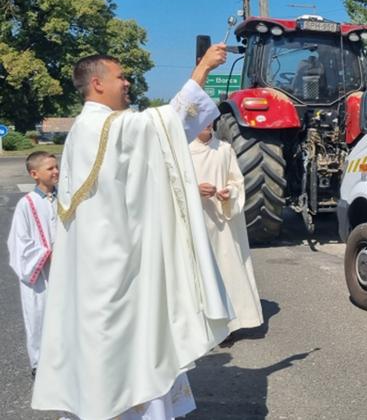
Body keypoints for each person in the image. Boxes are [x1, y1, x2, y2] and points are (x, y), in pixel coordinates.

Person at [31, 45, 235, 420]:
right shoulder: (103, 126)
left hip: (99, 260)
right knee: (130, 344)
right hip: (116, 267)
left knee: (102, 344)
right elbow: (168, 124)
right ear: (97, 83)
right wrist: (202, 69)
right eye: (121, 77)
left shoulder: (86, 129)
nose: (128, 83)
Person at [190, 125, 263, 337]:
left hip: (222, 222)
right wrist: (194, 189)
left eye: (210, 119)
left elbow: (236, 181)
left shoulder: (224, 149)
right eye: (201, 120)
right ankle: (199, 325)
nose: (206, 124)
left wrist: (229, 193)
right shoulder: (183, 149)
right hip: (196, 219)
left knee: (225, 270)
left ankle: (227, 325)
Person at [7, 151, 59, 379]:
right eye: (50, 168)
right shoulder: (26, 205)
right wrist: (48, 255)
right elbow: (19, 244)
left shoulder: (65, 201)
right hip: (41, 275)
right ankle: (42, 367)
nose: (56, 171)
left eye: (57, 167)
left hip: (67, 274)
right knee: (40, 316)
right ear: (34, 174)